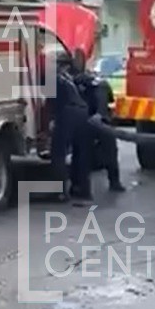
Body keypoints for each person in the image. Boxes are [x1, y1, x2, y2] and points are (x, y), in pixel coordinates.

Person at [74, 50, 125, 192]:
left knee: (84, 155)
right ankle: (113, 182)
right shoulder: (97, 82)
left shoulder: (74, 81)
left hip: (88, 121)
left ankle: (81, 188)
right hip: (100, 121)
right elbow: (109, 100)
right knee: (108, 152)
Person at [50, 50, 93, 201]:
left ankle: (60, 192)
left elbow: (52, 101)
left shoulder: (55, 79)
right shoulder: (69, 79)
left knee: (58, 153)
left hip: (68, 113)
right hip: (82, 112)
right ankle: (83, 190)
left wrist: (53, 120)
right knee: (81, 153)